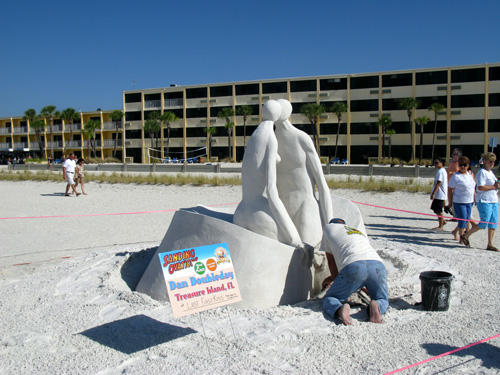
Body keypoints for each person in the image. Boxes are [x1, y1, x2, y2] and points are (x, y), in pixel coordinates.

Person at [233, 100, 302, 247]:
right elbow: (271, 191)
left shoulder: (254, 136)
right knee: (285, 243)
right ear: (278, 116)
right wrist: (294, 237)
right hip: (258, 213)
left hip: (240, 211)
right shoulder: (271, 138)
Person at [274, 99, 333, 246]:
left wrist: (331, 229)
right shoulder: (270, 140)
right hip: (281, 209)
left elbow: (322, 184)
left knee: (307, 249)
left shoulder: (301, 138)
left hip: (305, 207)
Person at [320, 218, 388, 325]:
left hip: (354, 266)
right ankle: (377, 305)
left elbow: (331, 261)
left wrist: (332, 280)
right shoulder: (356, 232)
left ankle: (339, 308)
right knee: (382, 299)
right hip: (377, 265)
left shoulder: (328, 228)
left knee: (330, 298)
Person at [462, 152, 499, 251]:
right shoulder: (482, 172)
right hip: (484, 200)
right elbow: (480, 187)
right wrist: (494, 186)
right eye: (490, 162)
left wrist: (496, 185)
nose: (492, 164)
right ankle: (466, 235)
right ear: (485, 162)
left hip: (494, 200)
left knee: (493, 222)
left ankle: (490, 244)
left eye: (493, 162)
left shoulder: (491, 172)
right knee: (484, 222)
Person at [446, 156, 476, 244]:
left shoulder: (469, 175)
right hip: (459, 201)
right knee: (462, 220)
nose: (463, 167)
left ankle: (455, 231)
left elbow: (472, 187)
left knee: (466, 219)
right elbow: (450, 189)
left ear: (468, 165)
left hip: (469, 201)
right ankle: (461, 238)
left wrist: (475, 198)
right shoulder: (456, 177)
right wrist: (450, 203)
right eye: (461, 165)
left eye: (465, 165)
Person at [430, 157, 448, 230]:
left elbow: (439, 182)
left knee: (439, 210)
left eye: (437, 163)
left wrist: (433, 193)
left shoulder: (441, 171)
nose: (435, 164)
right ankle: (442, 221)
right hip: (440, 194)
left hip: (440, 194)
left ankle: (441, 226)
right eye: (434, 163)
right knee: (435, 208)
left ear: (441, 163)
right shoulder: (442, 171)